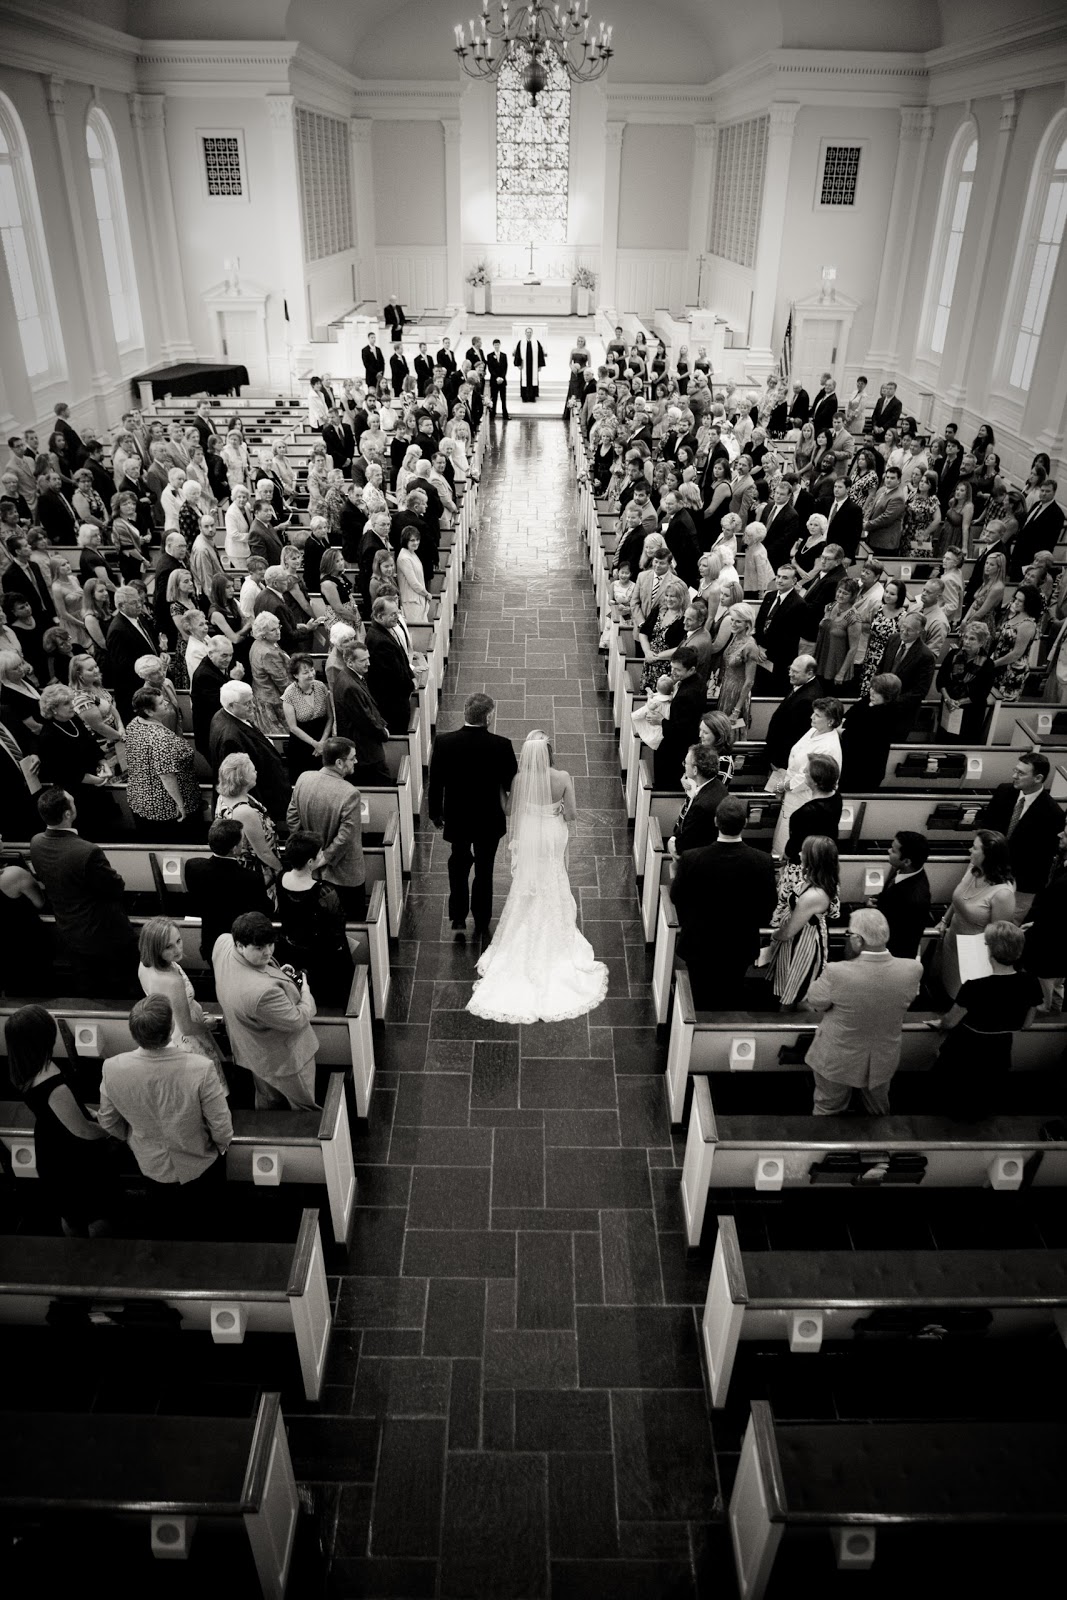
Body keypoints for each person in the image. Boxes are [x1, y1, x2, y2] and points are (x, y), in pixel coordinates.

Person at [466, 730, 608, 1023]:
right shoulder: (563, 777)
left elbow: (508, 811)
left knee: (528, 879)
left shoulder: (519, 780)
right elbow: (571, 815)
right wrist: (553, 811)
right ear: (550, 754)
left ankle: (526, 918)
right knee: (553, 874)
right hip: (552, 835)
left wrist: (498, 788)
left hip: (530, 834)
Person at [97, 994, 232, 1232]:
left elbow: (108, 1121)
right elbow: (221, 1124)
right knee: (208, 1226)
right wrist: (220, 1146)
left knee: (165, 1229)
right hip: (200, 1160)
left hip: (150, 1163)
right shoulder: (200, 1068)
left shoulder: (112, 1068)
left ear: (134, 1033)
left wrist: (132, 1138)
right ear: (171, 1028)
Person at [5, 1003, 115, 1235]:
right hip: (70, 1155)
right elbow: (82, 1130)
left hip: (49, 1143)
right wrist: (108, 1130)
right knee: (95, 1214)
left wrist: (85, 1110)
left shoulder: (23, 1067)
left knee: (70, 1213)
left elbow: (61, 1109)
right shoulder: (53, 1086)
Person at [805, 909, 923, 1115]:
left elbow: (816, 1001)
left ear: (858, 940)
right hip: (882, 1057)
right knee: (877, 1110)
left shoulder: (837, 972)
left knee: (828, 1107)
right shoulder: (912, 969)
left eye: (848, 935)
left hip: (837, 1057)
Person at [671, 795, 777, 1009]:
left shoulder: (692, 858)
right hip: (739, 944)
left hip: (699, 941)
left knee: (697, 995)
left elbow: (677, 897)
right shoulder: (762, 861)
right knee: (731, 994)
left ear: (716, 822)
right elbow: (768, 905)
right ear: (745, 823)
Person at [928, 921, 1041, 1119]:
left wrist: (941, 1024)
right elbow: (1026, 1024)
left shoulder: (975, 986)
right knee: (985, 1098)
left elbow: (950, 1022)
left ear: (991, 950)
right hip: (1000, 1049)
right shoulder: (1030, 982)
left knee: (953, 1098)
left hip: (966, 1049)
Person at [428, 692, 519, 937]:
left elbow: (435, 782)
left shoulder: (445, 743)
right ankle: (481, 918)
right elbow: (511, 783)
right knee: (484, 868)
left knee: (457, 864)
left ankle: (458, 916)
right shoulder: (502, 745)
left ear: (465, 714)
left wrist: (435, 813)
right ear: (488, 716)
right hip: (489, 819)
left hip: (457, 817)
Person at [212, 911, 319, 1109]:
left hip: (251, 1049)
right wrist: (305, 992)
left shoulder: (223, 943)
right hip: (285, 1059)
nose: (268, 952)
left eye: (271, 944)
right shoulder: (261, 992)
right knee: (303, 1106)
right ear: (240, 945)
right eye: (260, 948)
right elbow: (296, 1019)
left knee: (267, 1099)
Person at [286, 736, 366, 919]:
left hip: (311, 869)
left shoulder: (303, 778)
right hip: (343, 873)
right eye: (352, 758)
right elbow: (347, 836)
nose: (356, 761)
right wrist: (325, 857)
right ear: (339, 762)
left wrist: (308, 851)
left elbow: (292, 817)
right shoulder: (350, 793)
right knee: (351, 918)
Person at [979, 749, 1065, 919]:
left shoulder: (1053, 813)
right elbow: (987, 828)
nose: (1015, 776)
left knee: (1002, 929)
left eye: (1021, 773)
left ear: (1038, 778)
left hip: (1021, 885)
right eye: (1015, 770)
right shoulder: (1004, 791)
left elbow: (1043, 858)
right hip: (988, 872)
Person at [275, 830, 355, 1005]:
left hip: (291, 948)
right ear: (310, 862)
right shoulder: (324, 891)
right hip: (320, 955)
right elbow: (337, 927)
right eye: (319, 852)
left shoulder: (281, 878)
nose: (322, 854)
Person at [137, 917, 224, 1076]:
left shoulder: (144, 964)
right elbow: (187, 1028)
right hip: (188, 1038)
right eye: (168, 946)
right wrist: (209, 1025)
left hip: (171, 1030)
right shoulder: (172, 982)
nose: (177, 950)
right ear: (155, 948)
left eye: (178, 940)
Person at [935, 830, 1016, 1000]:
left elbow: (997, 937)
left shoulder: (1003, 894)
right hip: (952, 941)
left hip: (974, 955)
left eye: (975, 848)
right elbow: (959, 897)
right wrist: (945, 919)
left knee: (963, 997)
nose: (970, 850)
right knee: (944, 987)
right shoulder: (973, 868)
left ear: (989, 855)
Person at [768, 834, 840, 1008]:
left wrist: (775, 936)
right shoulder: (821, 881)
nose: (800, 854)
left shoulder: (814, 895)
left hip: (802, 944)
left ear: (813, 859)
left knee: (799, 996)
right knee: (791, 990)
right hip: (799, 940)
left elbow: (789, 931)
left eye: (804, 852)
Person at [123, 686, 204, 841]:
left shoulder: (134, 724)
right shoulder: (161, 739)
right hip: (165, 806)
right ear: (149, 711)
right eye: (161, 703)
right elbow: (167, 775)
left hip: (141, 796)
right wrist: (181, 804)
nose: (166, 703)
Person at [208, 679, 292, 824]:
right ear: (232, 705)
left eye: (251, 701)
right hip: (261, 800)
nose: (253, 706)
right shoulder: (230, 739)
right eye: (247, 703)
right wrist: (260, 813)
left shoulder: (224, 714)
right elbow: (240, 782)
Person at [768, 696, 844, 856]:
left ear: (830, 721)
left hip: (804, 797)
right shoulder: (814, 730)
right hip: (791, 791)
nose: (812, 717)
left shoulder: (828, 747)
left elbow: (805, 778)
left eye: (817, 715)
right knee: (781, 835)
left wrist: (781, 786)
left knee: (788, 842)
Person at [1022, 821, 1067, 1013]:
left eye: (1065, 833)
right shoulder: (1063, 866)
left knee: (1044, 1004)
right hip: (1049, 945)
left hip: (1049, 956)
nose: (1059, 835)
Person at [872, 830, 933, 960]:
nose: (889, 851)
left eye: (894, 851)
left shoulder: (915, 899)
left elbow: (901, 939)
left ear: (906, 861)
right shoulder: (906, 871)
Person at [838, 672, 901, 791]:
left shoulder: (888, 714)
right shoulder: (869, 700)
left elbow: (858, 738)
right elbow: (849, 714)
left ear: (888, 696)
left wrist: (840, 731)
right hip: (850, 760)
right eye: (872, 688)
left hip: (866, 768)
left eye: (877, 692)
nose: (872, 692)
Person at [936, 621, 996, 742]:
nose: (967, 641)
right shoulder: (953, 655)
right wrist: (948, 699)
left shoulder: (988, 664)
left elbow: (982, 693)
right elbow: (941, 680)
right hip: (949, 705)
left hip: (971, 713)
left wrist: (958, 702)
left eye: (972, 639)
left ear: (981, 643)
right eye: (966, 637)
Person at [669, 742, 729, 856]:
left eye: (685, 763)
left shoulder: (702, 806)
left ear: (695, 770)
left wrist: (672, 842)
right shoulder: (717, 785)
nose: (684, 766)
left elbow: (683, 845)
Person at [784, 752, 842, 864]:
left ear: (816, 781)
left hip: (806, 863)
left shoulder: (803, 814)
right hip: (826, 857)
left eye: (807, 770)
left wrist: (785, 856)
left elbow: (794, 845)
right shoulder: (836, 797)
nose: (804, 771)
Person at [514, 327, 546, 403]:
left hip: (533, 366)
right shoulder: (521, 342)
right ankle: (524, 397)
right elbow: (517, 353)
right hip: (524, 366)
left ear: (532, 333)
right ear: (525, 333)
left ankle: (532, 397)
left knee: (533, 380)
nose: (529, 334)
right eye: (527, 332)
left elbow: (540, 354)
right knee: (524, 381)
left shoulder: (536, 342)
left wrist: (540, 365)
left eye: (530, 332)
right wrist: (518, 364)